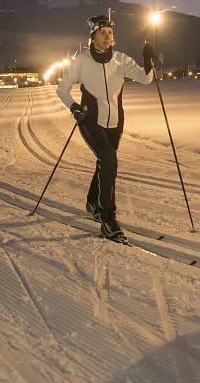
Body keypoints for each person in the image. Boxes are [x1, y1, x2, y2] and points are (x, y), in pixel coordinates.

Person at [57, 15, 155, 244]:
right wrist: (74, 108)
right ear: (93, 36)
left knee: (106, 162)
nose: (107, 36)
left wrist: (147, 60)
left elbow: (145, 79)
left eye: (110, 32)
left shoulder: (121, 60)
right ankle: (107, 219)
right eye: (103, 32)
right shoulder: (80, 60)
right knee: (109, 161)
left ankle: (92, 203)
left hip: (115, 121)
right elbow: (62, 89)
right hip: (90, 119)